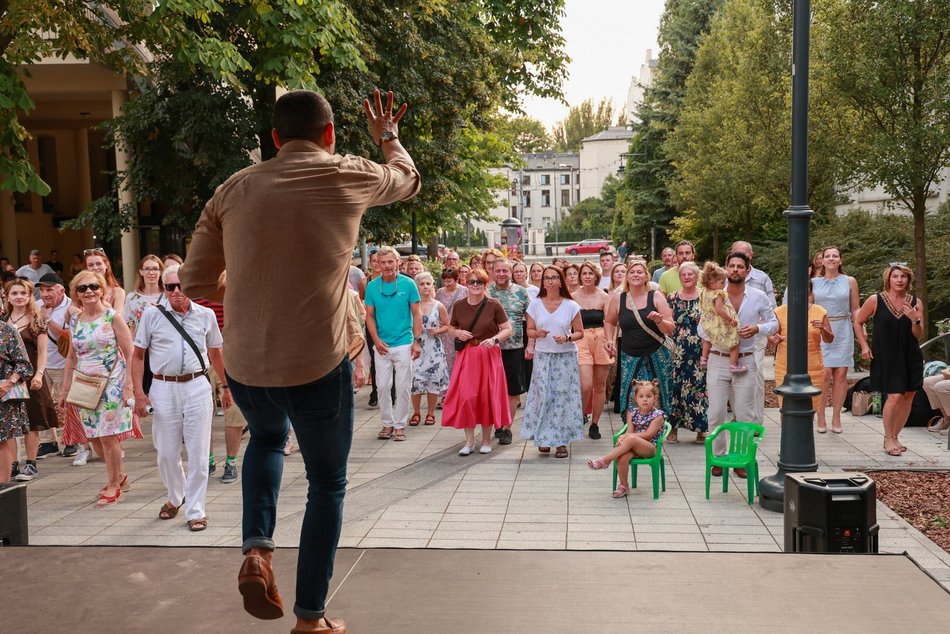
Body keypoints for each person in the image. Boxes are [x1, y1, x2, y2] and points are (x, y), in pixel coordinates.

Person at [180, 88, 420, 633]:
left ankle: (257, 552)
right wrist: (388, 136)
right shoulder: (347, 174)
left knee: (265, 440)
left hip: (246, 363)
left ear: (274, 138)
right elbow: (406, 178)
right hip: (317, 358)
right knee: (326, 483)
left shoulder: (233, 189)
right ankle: (310, 618)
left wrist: (247, 284)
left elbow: (194, 281)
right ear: (330, 134)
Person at [131, 264, 230, 531]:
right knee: (165, 452)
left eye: (181, 286)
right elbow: (138, 355)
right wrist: (139, 394)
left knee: (199, 452)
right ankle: (176, 496)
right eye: (170, 287)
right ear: (163, 288)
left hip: (197, 385)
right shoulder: (152, 315)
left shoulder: (206, 314)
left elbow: (216, 354)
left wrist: (227, 387)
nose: (176, 292)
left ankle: (196, 510)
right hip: (163, 387)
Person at [59, 270, 136, 506]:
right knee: (92, 437)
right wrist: (65, 389)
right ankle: (120, 475)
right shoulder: (75, 320)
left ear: (102, 289)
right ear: (76, 294)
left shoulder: (112, 316)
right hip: (85, 384)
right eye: (83, 288)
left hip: (112, 381)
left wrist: (130, 386)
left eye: (94, 286)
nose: (89, 291)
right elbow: (71, 357)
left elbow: (130, 351)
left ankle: (113, 483)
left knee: (108, 436)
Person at [700, 252, 778, 478]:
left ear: (747, 270)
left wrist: (757, 328)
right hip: (717, 357)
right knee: (715, 412)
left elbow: (774, 323)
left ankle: (742, 459)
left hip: (745, 358)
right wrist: (718, 331)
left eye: (740, 266)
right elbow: (701, 325)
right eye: (732, 265)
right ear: (726, 268)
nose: (735, 269)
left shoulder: (758, 296)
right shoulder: (713, 294)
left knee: (745, 413)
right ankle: (718, 457)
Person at [854, 263, 924, 457]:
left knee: (909, 396)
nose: (899, 280)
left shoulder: (915, 302)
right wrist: (864, 346)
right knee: (894, 396)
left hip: (911, 355)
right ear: (888, 279)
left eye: (903, 277)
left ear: (908, 280)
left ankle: (895, 436)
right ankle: (887, 437)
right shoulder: (876, 300)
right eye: (895, 276)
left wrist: (914, 319)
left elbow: (918, 334)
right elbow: (858, 322)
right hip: (886, 355)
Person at [442, 268, 512, 454]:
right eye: (472, 282)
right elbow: (450, 328)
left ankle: (487, 440)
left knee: (486, 397)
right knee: (466, 397)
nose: (475, 285)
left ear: (485, 284)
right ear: (466, 283)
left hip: (488, 354)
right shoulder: (459, 305)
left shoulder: (493, 304)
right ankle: (469, 442)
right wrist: (457, 333)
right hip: (467, 355)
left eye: (479, 282)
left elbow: (507, 329)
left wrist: (495, 339)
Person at [521, 266, 584, 459]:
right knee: (544, 395)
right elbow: (529, 330)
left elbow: (580, 332)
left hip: (565, 357)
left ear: (560, 281)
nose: (549, 281)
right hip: (543, 356)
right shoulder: (535, 304)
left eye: (554, 277)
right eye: (546, 278)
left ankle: (561, 441)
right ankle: (544, 438)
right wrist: (537, 334)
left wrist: (567, 338)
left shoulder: (571, 305)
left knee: (562, 397)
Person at [604, 258, 675, 420]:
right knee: (632, 396)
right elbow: (609, 322)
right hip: (630, 356)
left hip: (656, 354)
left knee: (657, 396)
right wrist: (609, 340)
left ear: (646, 276)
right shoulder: (619, 298)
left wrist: (659, 321)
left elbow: (670, 328)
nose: (636, 275)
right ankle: (633, 429)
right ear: (627, 276)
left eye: (639, 272)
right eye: (632, 272)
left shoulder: (655, 296)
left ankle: (657, 430)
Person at [365, 246, 422, 442]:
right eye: (384, 262)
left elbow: (417, 313)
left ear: (398, 262)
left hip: (404, 343)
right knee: (382, 386)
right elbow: (369, 316)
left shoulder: (408, 284)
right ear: (378, 265)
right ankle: (387, 423)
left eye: (391, 261)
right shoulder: (372, 286)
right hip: (382, 344)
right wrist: (376, 339)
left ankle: (400, 425)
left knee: (404, 385)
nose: (388, 266)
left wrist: (417, 341)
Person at [5, 279, 58, 482]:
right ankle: (11, 464)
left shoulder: (37, 320)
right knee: (9, 424)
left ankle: (31, 463)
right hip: (7, 378)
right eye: (15, 293)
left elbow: (43, 352)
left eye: (23, 293)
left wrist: (39, 374)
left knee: (31, 422)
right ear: (8, 296)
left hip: (31, 375)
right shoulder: (3, 320)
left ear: (29, 296)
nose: (19, 297)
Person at [587, 380, 666, 498]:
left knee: (631, 439)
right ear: (636, 398)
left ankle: (605, 460)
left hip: (650, 448)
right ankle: (624, 486)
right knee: (622, 457)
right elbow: (630, 431)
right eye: (641, 396)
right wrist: (624, 438)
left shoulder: (658, 416)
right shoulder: (632, 413)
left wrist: (627, 437)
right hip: (633, 445)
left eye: (649, 396)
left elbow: (649, 435)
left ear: (655, 398)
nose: (645, 399)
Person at [812, 246, 860, 433]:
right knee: (823, 375)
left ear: (841, 260)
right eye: (827, 256)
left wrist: (860, 325)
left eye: (835, 256)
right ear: (821, 260)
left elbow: (855, 307)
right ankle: (821, 415)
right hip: (821, 328)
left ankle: (837, 416)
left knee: (840, 375)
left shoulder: (850, 281)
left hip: (843, 328)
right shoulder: (814, 282)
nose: (831, 259)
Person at [729, 241, 776, 424]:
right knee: (733, 375)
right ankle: (738, 415)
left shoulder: (762, 278)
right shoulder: (726, 277)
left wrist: (761, 329)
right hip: (729, 339)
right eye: (736, 254)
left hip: (754, 337)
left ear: (751, 256)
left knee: (754, 376)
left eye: (744, 255)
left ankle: (755, 420)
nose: (739, 260)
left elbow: (771, 308)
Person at [770, 281, 834, 416]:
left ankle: (805, 436)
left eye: (804, 289)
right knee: (786, 407)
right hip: (785, 366)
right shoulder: (780, 312)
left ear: (810, 291)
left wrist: (823, 329)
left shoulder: (819, 311)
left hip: (813, 367)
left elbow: (829, 339)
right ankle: (787, 436)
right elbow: (771, 337)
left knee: (810, 408)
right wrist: (774, 338)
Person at [37, 273, 80, 457]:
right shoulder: (37, 306)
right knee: (43, 403)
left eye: (49, 290)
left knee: (68, 402)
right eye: (42, 290)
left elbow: (71, 337)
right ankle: (48, 442)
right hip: (42, 362)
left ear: (61, 290)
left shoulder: (72, 308)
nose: (45, 294)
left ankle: (72, 439)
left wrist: (47, 321)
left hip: (65, 362)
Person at [487, 258, 530, 445]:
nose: (502, 274)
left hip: (514, 347)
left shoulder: (521, 292)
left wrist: (532, 344)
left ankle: (507, 428)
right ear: (492, 272)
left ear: (511, 272)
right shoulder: (486, 293)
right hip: (490, 349)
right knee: (492, 389)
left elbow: (531, 320)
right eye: (498, 271)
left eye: (505, 270)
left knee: (513, 390)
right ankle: (496, 422)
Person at [667, 261, 707, 443]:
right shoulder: (672, 297)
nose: (687, 277)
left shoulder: (706, 296)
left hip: (700, 350)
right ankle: (673, 428)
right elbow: (667, 324)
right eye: (684, 274)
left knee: (699, 389)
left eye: (691, 274)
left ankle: (701, 429)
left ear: (697, 276)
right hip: (677, 350)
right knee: (675, 388)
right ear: (679, 277)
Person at [573, 261, 612, 440]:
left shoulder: (604, 296)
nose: (587, 276)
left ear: (596, 276)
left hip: (602, 339)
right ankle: (579, 414)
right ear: (580, 276)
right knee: (586, 384)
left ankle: (595, 423)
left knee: (600, 385)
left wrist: (612, 342)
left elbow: (611, 323)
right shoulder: (572, 297)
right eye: (584, 273)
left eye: (590, 273)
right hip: (581, 340)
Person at [409, 272, 449, 426]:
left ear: (432, 285)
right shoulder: (412, 304)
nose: (425, 286)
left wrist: (438, 331)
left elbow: (447, 325)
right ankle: (416, 412)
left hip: (434, 347)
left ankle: (431, 413)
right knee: (415, 380)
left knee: (433, 380)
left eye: (428, 283)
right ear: (417, 286)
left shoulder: (438, 306)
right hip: (416, 346)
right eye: (422, 284)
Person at [0, 318, 32, 484]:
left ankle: (2, 488)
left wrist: (9, 382)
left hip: (2, 395)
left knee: (0, 442)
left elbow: (24, 364)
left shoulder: (6, 330)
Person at [699, 262, 745, 374]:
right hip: (719, 322)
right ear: (712, 282)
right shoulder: (718, 293)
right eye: (722, 282)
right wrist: (731, 320)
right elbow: (719, 310)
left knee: (707, 339)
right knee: (735, 341)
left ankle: (704, 358)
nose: (724, 285)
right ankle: (733, 365)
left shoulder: (704, 292)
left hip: (707, 322)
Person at [435, 268, 467, 377]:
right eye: (444, 281)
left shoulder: (464, 291)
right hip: (444, 331)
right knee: (445, 359)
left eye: (449, 281)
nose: (446, 283)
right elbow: (436, 308)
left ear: (456, 279)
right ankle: (446, 391)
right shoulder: (439, 292)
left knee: (458, 358)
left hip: (459, 329)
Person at [84, 248, 126, 315]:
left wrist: (108, 307)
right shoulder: (81, 290)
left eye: (98, 264)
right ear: (86, 268)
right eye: (90, 265)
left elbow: (119, 320)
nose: (95, 268)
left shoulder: (118, 292)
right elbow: (70, 319)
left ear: (106, 265)